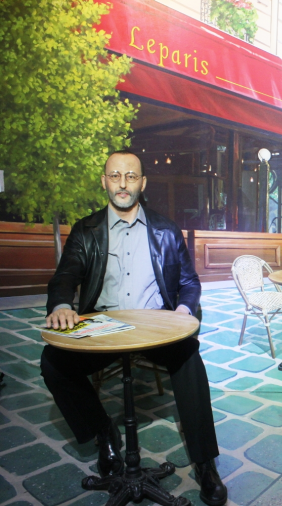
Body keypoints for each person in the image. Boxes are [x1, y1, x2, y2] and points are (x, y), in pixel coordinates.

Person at [41, 150, 227, 506]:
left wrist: (183, 310)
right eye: (115, 176)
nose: (122, 184)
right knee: (53, 363)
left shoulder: (166, 230)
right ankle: (104, 433)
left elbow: (189, 282)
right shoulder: (85, 230)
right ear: (104, 181)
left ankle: (205, 463)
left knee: (189, 358)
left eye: (130, 176)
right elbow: (65, 276)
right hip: (104, 328)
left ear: (142, 182)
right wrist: (62, 304)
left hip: (156, 328)